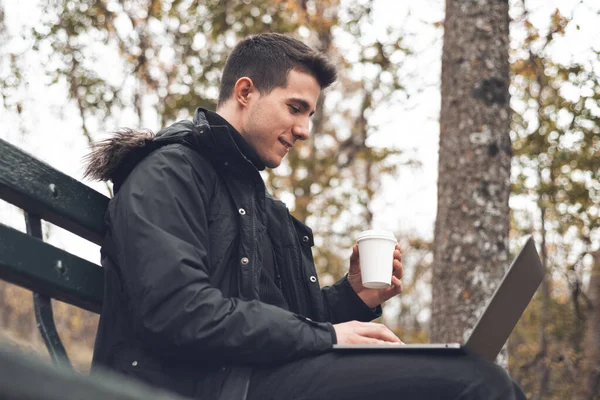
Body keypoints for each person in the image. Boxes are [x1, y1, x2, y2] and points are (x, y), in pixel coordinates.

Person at [85, 33, 526, 400]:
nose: (304, 130)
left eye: (310, 115)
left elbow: (291, 320)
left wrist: (354, 299)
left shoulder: (260, 205)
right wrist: (332, 337)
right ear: (245, 92)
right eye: (295, 108)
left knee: (487, 378)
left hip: (252, 377)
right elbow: (178, 312)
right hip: (200, 386)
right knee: (478, 384)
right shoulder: (168, 172)